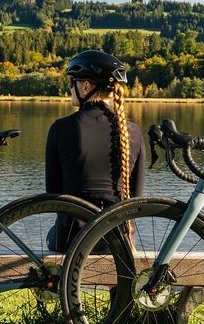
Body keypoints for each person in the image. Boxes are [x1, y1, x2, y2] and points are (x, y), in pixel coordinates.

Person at [45, 49, 146, 252]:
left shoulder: (61, 128)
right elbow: (135, 198)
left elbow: (53, 195)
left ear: (85, 86)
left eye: (71, 83)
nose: (69, 90)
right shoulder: (133, 131)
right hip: (118, 243)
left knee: (51, 234)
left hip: (73, 241)